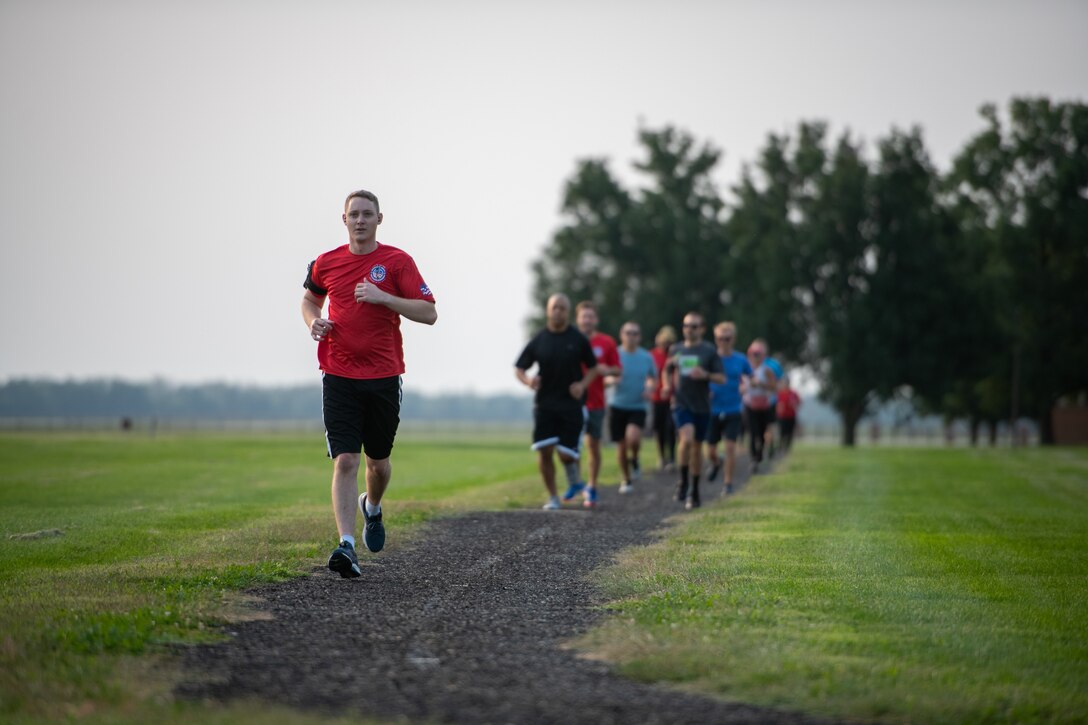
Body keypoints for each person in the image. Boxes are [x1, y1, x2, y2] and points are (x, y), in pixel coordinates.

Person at [302, 189, 438, 579]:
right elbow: (309, 300)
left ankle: (372, 508)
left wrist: (384, 297)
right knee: (346, 459)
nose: (360, 220)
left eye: (367, 214)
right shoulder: (326, 263)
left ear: (380, 219)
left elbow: (429, 313)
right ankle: (346, 545)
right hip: (338, 373)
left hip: (383, 376)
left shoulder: (397, 262)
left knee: (377, 464)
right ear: (343, 220)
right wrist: (314, 321)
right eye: (354, 214)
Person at [515, 294, 601, 510]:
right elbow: (519, 368)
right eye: (555, 307)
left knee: (565, 453)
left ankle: (574, 479)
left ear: (568, 312)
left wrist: (582, 385)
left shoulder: (578, 339)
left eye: (562, 308)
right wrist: (529, 381)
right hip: (544, 404)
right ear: (548, 311)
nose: (558, 312)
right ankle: (553, 497)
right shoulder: (539, 339)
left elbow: (593, 368)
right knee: (544, 451)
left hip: (572, 405)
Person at [662, 312, 725, 510]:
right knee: (686, 439)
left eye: (694, 326)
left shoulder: (709, 351)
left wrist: (705, 374)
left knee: (697, 448)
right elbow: (667, 369)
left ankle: (694, 490)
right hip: (681, 402)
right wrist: (665, 385)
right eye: (687, 326)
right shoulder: (676, 349)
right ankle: (682, 481)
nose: (690, 329)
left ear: (702, 329)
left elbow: (721, 378)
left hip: (702, 405)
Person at [572, 301, 622, 508]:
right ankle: (576, 483)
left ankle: (591, 486)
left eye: (590, 316)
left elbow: (618, 370)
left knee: (593, 445)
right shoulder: (570, 340)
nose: (587, 320)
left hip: (596, 401)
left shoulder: (606, 342)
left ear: (596, 320)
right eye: (584, 316)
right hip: (572, 402)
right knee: (572, 448)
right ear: (578, 319)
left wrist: (605, 370)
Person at [608, 321, 658, 494]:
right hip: (617, 405)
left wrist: (650, 387)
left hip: (638, 405)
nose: (631, 336)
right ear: (622, 335)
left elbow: (653, 377)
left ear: (639, 337)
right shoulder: (614, 354)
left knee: (634, 438)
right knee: (621, 445)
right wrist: (611, 380)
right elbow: (603, 377)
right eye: (628, 333)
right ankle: (626, 479)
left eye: (635, 333)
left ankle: (635, 458)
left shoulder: (646, 357)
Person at [705, 322, 752, 496]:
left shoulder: (740, 359)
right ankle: (716, 462)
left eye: (727, 338)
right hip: (712, 409)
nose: (724, 341)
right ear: (716, 339)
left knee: (730, 447)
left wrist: (745, 387)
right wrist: (705, 391)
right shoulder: (710, 358)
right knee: (710, 450)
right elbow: (701, 378)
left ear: (733, 339)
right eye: (720, 338)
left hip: (733, 408)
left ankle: (728, 483)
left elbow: (750, 377)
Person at [741, 339, 777, 474]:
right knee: (752, 433)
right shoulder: (744, 369)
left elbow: (774, 387)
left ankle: (759, 454)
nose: (754, 356)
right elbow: (738, 386)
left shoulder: (766, 370)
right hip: (749, 405)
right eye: (752, 353)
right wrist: (744, 388)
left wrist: (761, 384)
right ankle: (753, 460)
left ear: (763, 355)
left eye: (758, 353)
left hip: (763, 406)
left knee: (761, 434)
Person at [650, 325, 678, 471]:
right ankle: (662, 456)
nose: (666, 346)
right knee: (659, 428)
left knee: (671, 427)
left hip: (673, 397)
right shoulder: (652, 355)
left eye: (669, 343)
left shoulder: (676, 356)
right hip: (657, 397)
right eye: (664, 343)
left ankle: (672, 457)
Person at [763, 351, 785, 459]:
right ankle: (768, 443)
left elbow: (781, 381)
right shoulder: (751, 362)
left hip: (771, 400)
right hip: (755, 402)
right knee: (764, 426)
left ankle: (770, 443)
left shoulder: (773, 364)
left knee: (769, 425)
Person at [776, 375, 802, 453]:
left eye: (786, 383)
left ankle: (787, 448)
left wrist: (794, 404)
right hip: (782, 416)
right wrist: (778, 407)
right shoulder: (779, 393)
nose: (785, 384)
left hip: (791, 416)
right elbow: (775, 404)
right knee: (782, 432)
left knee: (790, 433)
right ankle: (781, 446)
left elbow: (798, 403)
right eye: (784, 383)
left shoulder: (793, 393)